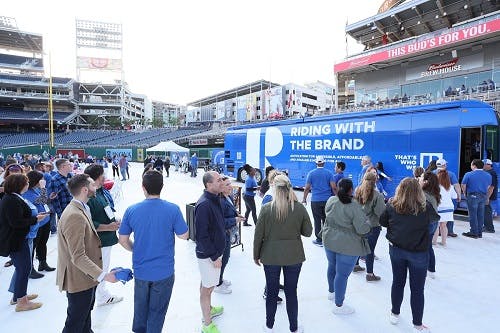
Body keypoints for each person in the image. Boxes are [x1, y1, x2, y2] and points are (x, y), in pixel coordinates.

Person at [119, 170, 188, 333]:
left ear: (143, 187)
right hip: (164, 271)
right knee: (157, 312)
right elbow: (184, 235)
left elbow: (122, 240)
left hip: (141, 270)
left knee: (140, 308)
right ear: (162, 187)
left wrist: (136, 250)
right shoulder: (173, 209)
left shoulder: (131, 210)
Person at [57, 174, 119, 333]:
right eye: (93, 185)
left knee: (84, 319)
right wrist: (104, 275)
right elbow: (77, 256)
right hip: (79, 278)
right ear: (85, 190)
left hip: (86, 276)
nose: (96, 187)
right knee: (75, 322)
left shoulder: (81, 208)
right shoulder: (74, 216)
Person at [380, 177, 440, 332]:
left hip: (396, 250)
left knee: (398, 282)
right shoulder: (425, 207)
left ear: (400, 189)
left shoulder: (392, 205)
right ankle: (417, 324)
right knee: (417, 289)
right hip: (418, 253)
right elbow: (433, 223)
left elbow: (383, 222)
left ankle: (394, 313)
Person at [254, 174, 312, 332]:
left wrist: (256, 255)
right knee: (291, 292)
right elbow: (308, 232)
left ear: (274, 188)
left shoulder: (266, 209)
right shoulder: (298, 208)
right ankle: (293, 328)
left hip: (270, 256)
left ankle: (269, 326)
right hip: (294, 256)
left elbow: (258, 235)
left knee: (272, 292)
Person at [323, 178, 371, 314]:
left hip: (329, 239)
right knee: (342, 275)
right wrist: (368, 224)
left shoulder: (331, 200)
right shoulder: (354, 206)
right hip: (348, 245)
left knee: (331, 266)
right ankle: (339, 306)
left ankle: (331, 292)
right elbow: (362, 229)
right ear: (351, 190)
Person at [0, 174, 46, 311]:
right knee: (24, 269)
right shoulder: (11, 200)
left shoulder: (14, 197)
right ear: (19, 185)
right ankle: (21, 302)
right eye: (26, 182)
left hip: (20, 238)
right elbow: (16, 222)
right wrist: (35, 220)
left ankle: (19, 296)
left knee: (23, 268)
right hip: (16, 240)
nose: (28, 184)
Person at [84, 164, 124, 307]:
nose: (105, 178)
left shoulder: (101, 191)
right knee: (101, 269)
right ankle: (102, 296)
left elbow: (108, 210)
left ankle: (100, 294)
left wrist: (114, 220)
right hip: (100, 240)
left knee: (103, 268)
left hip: (107, 237)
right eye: (102, 176)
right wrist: (108, 226)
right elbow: (87, 222)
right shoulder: (88, 196)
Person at [195, 171, 226, 333]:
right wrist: (214, 257)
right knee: (207, 289)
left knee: (207, 284)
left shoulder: (215, 199)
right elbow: (201, 236)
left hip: (214, 252)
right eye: (219, 180)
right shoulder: (204, 205)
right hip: (209, 255)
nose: (222, 182)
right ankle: (207, 324)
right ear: (209, 185)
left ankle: (209, 308)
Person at [214, 177, 245, 295]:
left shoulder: (229, 197)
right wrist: (235, 219)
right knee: (224, 259)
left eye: (230, 184)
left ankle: (220, 279)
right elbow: (221, 221)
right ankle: (217, 283)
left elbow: (231, 211)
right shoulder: (221, 202)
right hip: (223, 234)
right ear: (221, 188)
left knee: (226, 258)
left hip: (228, 233)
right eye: (227, 185)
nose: (230, 187)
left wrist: (237, 215)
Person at [353, 172, 386, 281]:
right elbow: (380, 212)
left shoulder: (357, 190)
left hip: (358, 224)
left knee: (359, 246)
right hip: (372, 226)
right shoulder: (377, 195)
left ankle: (355, 265)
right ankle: (370, 274)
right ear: (375, 181)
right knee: (369, 250)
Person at [23, 171, 53, 279]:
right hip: (36, 223)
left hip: (44, 220)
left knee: (42, 243)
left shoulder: (35, 189)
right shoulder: (26, 192)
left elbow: (44, 201)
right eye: (40, 179)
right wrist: (43, 188)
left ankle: (43, 263)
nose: (42, 181)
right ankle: (30, 269)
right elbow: (42, 199)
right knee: (33, 246)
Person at [302, 156, 335, 247]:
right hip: (327, 200)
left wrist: (304, 199)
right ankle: (327, 238)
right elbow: (333, 187)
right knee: (326, 220)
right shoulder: (329, 173)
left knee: (317, 220)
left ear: (316, 163)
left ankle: (319, 240)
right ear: (324, 163)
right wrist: (336, 197)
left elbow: (307, 188)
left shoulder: (311, 173)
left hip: (315, 200)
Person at [461, 159, 492, 239]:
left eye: (471, 164)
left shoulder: (468, 174)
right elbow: (488, 187)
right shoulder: (488, 175)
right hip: (483, 196)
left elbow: (463, 185)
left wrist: (465, 193)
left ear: (474, 165)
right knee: (480, 214)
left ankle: (473, 232)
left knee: (473, 214)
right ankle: (479, 232)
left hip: (472, 195)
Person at [419, 172, 441, 279]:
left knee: (423, 247)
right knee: (428, 246)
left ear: (426, 182)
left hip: (426, 223)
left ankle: (424, 270)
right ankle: (431, 268)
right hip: (432, 222)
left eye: (421, 178)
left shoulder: (423, 194)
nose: (419, 178)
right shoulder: (433, 193)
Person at [435, 158, 461, 237]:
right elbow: (456, 185)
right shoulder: (451, 174)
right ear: (444, 165)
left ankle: (436, 234)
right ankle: (449, 232)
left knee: (436, 220)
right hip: (447, 201)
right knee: (447, 217)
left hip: (436, 201)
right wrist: (459, 195)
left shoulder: (432, 173)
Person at [435, 169, 457, 247]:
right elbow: (455, 196)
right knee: (444, 226)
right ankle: (443, 242)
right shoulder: (450, 187)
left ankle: (434, 242)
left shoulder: (436, 187)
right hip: (449, 208)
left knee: (436, 225)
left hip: (439, 208)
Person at [482, 159, 497, 233]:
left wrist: (487, 197)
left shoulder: (491, 173)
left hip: (489, 195)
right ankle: (487, 226)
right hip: (488, 195)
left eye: (483, 164)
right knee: (485, 211)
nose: (482, 166)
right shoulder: (488, 172)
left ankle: (489, 228)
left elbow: (491, 187)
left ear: (488, 165)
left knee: (487, 211)